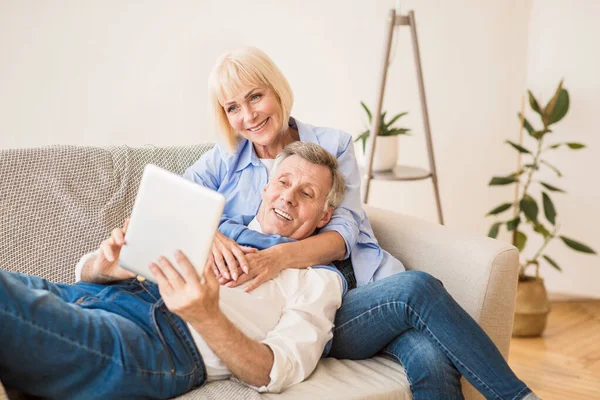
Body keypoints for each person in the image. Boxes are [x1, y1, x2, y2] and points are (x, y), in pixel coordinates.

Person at [183, 46, 540, 400]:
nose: (249, 115)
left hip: (355, 288)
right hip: (308, 306)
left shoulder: (333, 144)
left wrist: (275, 258)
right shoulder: (224, 160)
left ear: (276, 90)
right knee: (416, 289)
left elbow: (341, 236)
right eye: (233, 108)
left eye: (255, 97)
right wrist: (210, 233)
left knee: (429, 355)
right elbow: (174, 203)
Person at [0, 142, 349, 399]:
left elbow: (275, 370)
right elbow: (87, 272)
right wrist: (103, 267)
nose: (288, 198)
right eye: (284, 183)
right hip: (93, 293)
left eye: (307, 193)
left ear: (323, 216)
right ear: (266, 188)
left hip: (161, 340)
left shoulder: (318, 279)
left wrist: (207, 316)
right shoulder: (212, 220)